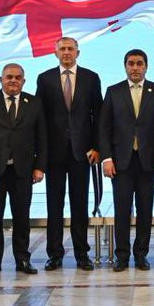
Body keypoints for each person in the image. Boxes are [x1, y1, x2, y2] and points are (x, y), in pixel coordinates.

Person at [98, 49, 154, 272]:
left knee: (145, 209)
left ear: (146, 67)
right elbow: (104, 128)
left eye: (139, 63)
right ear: (125, 66)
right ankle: (122, 256)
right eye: (131, 63)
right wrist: (107, 159)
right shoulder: (114, 91)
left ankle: (141, 254)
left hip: (149, 161)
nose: (135, 68)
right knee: (122, 210)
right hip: (120, 162)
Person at [0, 63, 46, 275]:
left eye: (18, 77)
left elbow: (42, 137)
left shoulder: (34, 103)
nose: (13, 80)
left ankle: (22, 259)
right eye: (9, 77)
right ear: (1, 80)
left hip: (23, 170)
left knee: (22, 216)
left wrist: (40, 167)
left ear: (24, 81)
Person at [36, 37, 103, 272]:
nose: (66, 52)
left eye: (70, 49)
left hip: (82, 153)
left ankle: (82, 254)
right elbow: (39, 118)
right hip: (54, 154)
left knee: (79, 205)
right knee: (54, 206)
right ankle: (54, 254)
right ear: (55, 53)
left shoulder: (91, 78)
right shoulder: (45, 79)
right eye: (62, 49)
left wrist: (97, 147)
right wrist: (40, 154)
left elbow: (99, 115)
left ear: (78, 53)